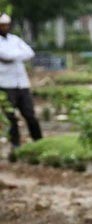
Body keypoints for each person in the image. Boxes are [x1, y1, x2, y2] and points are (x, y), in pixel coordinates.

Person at [0, 13, 43, 150]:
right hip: (5, 84)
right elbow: (5, 55)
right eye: (3, 25)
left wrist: (13, 57)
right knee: (11, 116)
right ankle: (15, 143)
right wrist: (18, 56)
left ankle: (39, 141)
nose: (5, 27)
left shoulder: (15, 39)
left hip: (22, 83)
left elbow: (30, 53)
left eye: (7, 25)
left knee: (30, 114)